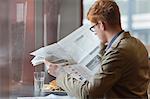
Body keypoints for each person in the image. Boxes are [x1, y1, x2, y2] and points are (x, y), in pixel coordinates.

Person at [44, 0, 150, 98]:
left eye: (93, 27)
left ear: (101, 25)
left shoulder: (118, 51)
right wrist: (103, 47)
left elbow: (87, 94)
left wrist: (59, 73)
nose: (94, 32)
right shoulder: (136, 43)